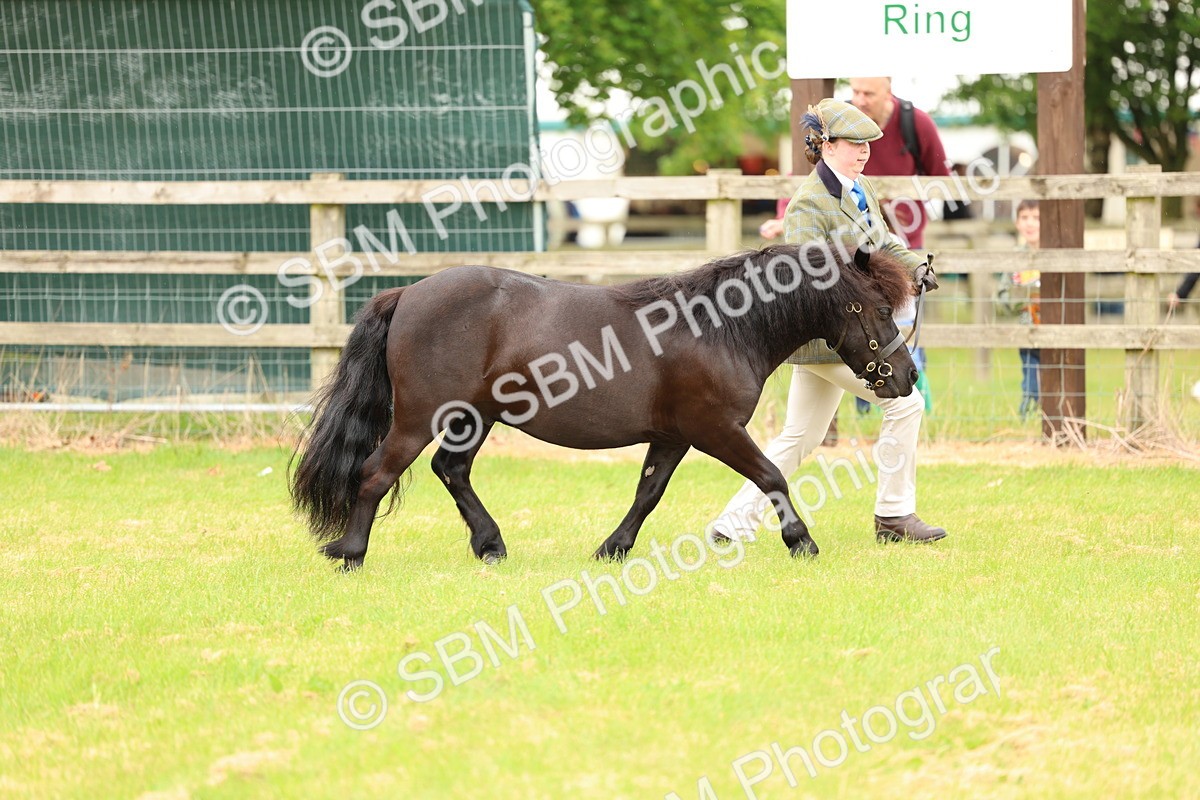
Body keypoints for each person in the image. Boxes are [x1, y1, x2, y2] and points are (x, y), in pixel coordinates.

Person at [710, 98, 947, 545]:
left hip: (843, 336)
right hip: (828, 338)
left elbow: (883, 241)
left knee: (801, 435)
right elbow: (804, 282)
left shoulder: (861, 189)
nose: (864, 152)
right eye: (855, 144)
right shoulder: (807, 206)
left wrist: (915, 266)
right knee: (905, 403)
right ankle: (894, 517)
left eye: (867, 144)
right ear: (827, 145)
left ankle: (731, 523)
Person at [996, 200, 1041, 418]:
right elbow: (1001, 299)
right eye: (1025, 218)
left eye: (1036, 217)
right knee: (1031, 379)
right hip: (1027, 332)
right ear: (1017, 223)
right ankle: (1029, 414)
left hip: (1056, 330)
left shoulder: (1057, 254)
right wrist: (1021, 296)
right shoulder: (1015, 258)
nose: (1030, 223)